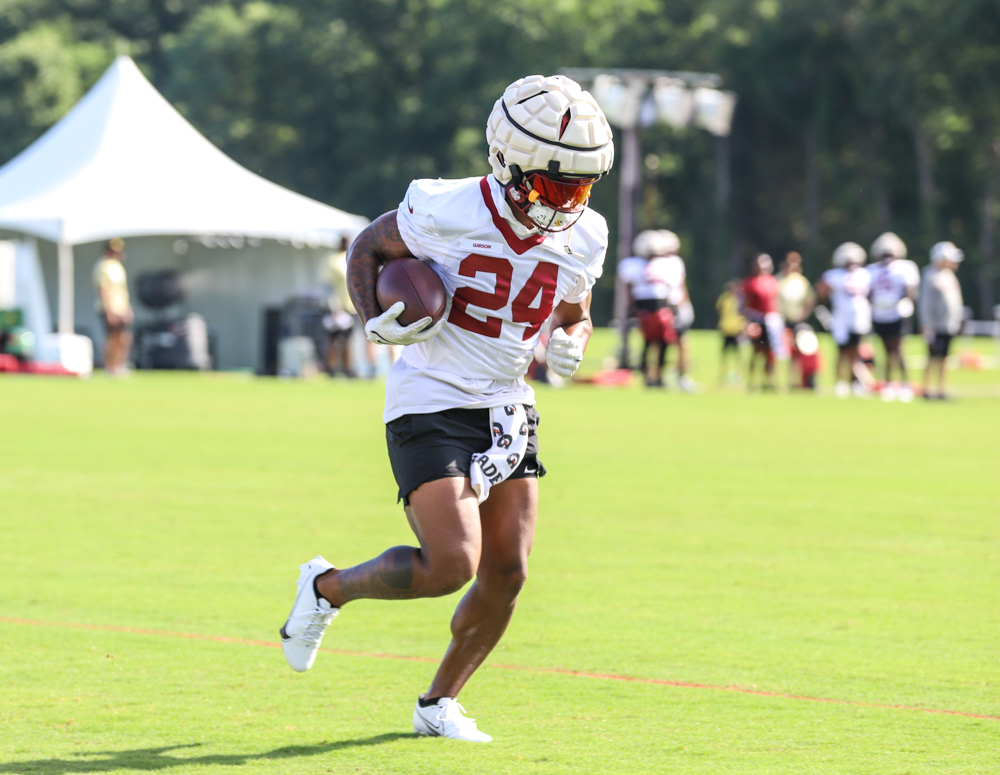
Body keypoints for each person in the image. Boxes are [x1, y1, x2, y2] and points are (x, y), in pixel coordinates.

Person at [278, 75, 614, 742]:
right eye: (555, 185)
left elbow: (575, 310)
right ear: (509, 164)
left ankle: (438, 703)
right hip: (429, 399)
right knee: (451, 563)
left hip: (509, 406)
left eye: (581, 186)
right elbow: (368, 249)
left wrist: (572, 339)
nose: (569, 202)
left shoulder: (586, 235)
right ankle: (326, 589)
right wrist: (374, 317)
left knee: (509, 571)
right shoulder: (445, 207)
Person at [617, 230, 675, 386]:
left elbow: (670, 288)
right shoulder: (633, 264)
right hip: (644, 308)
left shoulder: (666, 263)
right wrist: (631, 309)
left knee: (664, 342)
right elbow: (629, 289)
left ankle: (659, 375)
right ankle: (646, 375)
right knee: (648, 342)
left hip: (662, 307)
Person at [867, 232, 920, 402]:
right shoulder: (871, 270)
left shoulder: (905, 268)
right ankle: (889, 384)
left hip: (898, 313)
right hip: (880, 314)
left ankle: (904, 384)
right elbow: (867, 292)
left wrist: (899, 300)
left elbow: (911, 291)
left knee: (898, 349)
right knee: (886, 351)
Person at [815, 242, 872, 398]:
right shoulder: (833, 275)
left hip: (859, 319)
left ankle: (854, 382)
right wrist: (827, 304)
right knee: (841, 352)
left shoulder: (864, 274)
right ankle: (840, 382)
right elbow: (821, 290)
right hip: (841, 319)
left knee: (855, 352)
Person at [647, 230, 697, 392]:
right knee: (670, 343)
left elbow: (680, 286)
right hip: (669, 307)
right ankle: (667, 376)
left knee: (672, 344)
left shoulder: (669, 262)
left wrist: (685, 304)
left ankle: (675, 375)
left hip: (671, 306)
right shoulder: (665, 263)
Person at [920, 241, 965, 400]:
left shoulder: (949, 275)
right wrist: (927, 325)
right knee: (933, 357)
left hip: (948, 324)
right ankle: (925, 389)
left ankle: (941, 390)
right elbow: (926, 303)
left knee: (945, 358)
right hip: (935, 325)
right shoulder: (930, 275)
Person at [741, 253, 784, 390]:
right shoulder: (750, 282)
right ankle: (752, 381)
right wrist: (747, 321)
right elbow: (745, 304)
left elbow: (776, 302)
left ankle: (769, 381)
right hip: (757, 319)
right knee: (756, 351)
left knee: (770, 354)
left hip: (771, 321)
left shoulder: (772, 281)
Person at [92, 238, 133, 376]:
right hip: (110, 308)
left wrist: (127, 308)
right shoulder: (103, 266)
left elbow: (122, 290)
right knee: (112, 338)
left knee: (123, 337)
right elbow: (103, 289)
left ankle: (120, 364)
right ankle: (110, 366)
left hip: (120, 307)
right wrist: (108, 311)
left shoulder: (117, 266)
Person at [777, 251, 815, 387]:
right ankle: (777, 381)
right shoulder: (778, 280)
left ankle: (795, 381)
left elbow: (809, 300)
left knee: (797, 353)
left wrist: (803, 316)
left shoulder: (801, 281)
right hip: (780, 321)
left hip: (796, 321)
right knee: (780, 352)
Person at [323, 236, 359, 377]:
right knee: (333, 339)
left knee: (348, 340)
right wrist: (334, 304)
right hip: (336, 307)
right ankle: (331, 369)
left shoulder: (351, 258)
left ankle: (348, 369)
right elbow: (328, 285)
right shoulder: (333, 259)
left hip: (350, 306)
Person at [716, 279, 745, 384]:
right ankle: (723, 374)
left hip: (735, 329)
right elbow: (720, 311)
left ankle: (737, 374)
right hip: (726, 329)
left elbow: (742, 313)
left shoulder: (738, 299)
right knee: (725, 354)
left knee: (737, 354)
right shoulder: (724, 299)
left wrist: (741, 325)